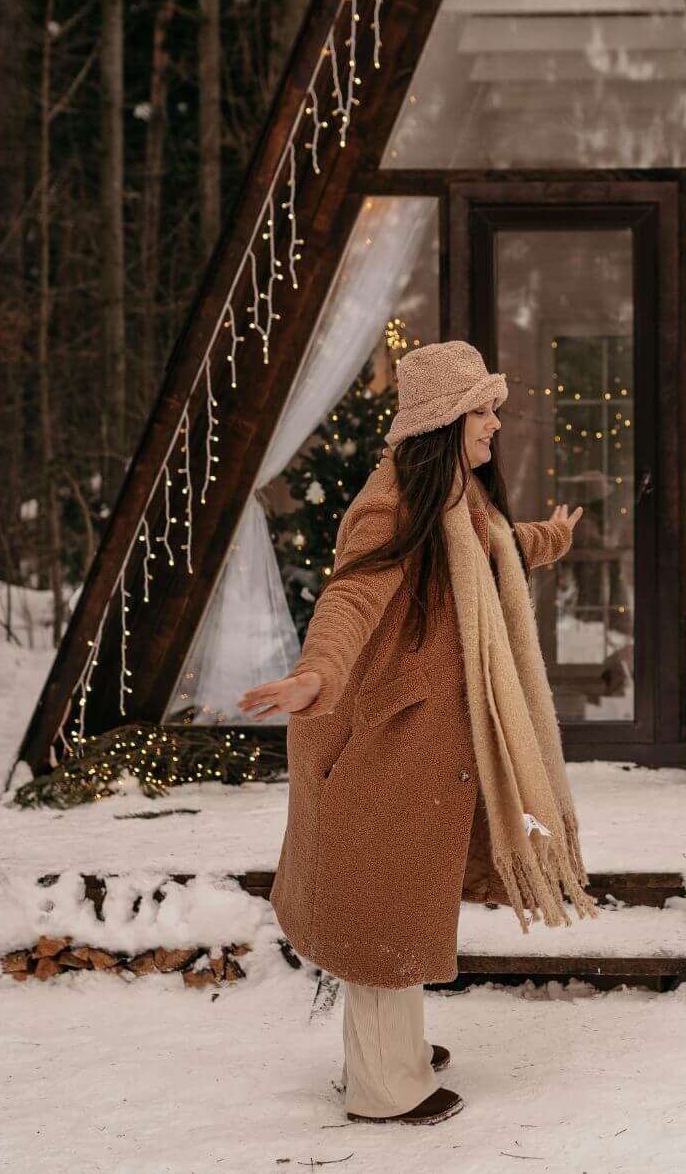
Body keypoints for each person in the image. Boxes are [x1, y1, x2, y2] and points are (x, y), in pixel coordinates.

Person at [238, 340, 596, 1127]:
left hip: (421, 747)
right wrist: (318, 675)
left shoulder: (453, 497)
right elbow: (353, 596)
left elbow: (497, 549)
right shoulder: (389, 504)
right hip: (376, 745)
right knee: (379, 924)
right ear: (446, 420)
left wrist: (553, 537)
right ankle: (383, 1087)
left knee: (398, 911)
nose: (496, 424)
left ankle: (390, 1054)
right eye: (484, 410)